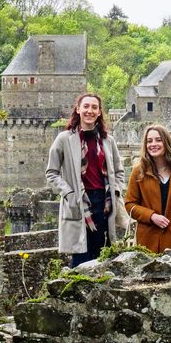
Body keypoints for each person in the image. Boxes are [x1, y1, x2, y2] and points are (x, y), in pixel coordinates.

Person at [46, 93, 124, 266]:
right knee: (81, 259)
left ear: (99, 112)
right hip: (79, 201)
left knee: (104, 256)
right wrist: (69, 194)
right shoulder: (64, 139)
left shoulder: (107, 141)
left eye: (94, 107)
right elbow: (51, 172)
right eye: (86, 106)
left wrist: (116, 191)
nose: (90, 111)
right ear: (78, 109)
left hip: (105, 204)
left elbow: (119, 171)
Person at [125, 124, 171, 253]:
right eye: (149, 141)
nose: (153, 144)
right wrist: (151, 216)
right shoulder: (138, 171)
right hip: (147, 240)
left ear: (166, 142)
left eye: (158, 140)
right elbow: (130, 205)